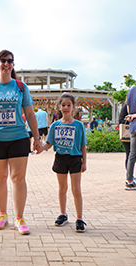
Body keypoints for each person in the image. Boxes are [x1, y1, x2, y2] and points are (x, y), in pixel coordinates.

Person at [0, 50, 41, 235]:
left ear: (13, 65)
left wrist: (37, 139)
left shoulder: (20, 87)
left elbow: (29, 114)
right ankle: (2, 215)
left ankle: (19, 218)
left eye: (10, 61)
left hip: (18, 138)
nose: (6, 64)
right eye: (3, 61)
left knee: (18, 179)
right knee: (0, 177)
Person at [41, 93, 87, 232]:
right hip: (60, 158)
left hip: (74, 159)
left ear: (73, 107)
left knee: (76, 189)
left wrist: (84, 162)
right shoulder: (55, 125)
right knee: (62, 188)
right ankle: (63, 214)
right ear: (59, 107)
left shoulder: (79, 125)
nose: (66, 107)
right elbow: (49, 143)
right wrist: (41, 148)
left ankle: (79, 219)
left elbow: (83, 145)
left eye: (69, 105)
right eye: (63, 105)